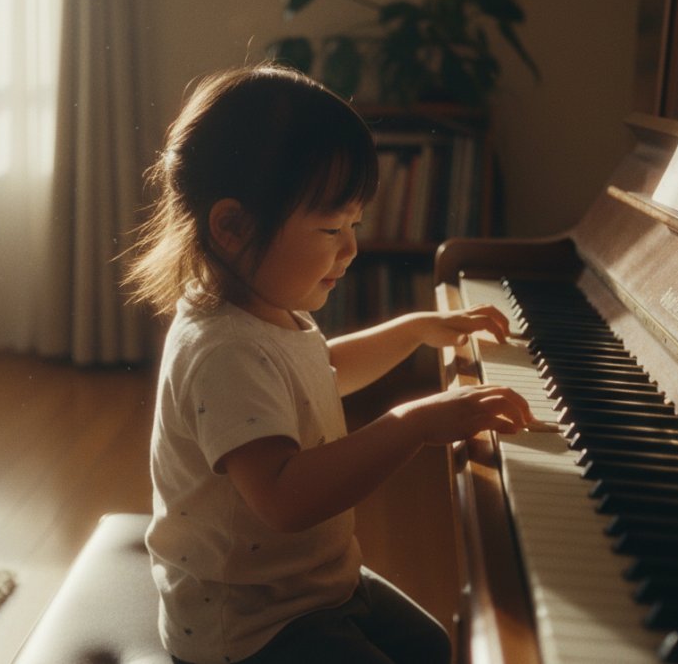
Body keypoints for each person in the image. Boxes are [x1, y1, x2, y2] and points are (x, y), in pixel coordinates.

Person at [124, 64, 534, 664]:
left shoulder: (263, 309)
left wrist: (412, 331)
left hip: (309, 587)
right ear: (233, 227)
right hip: (246, 623)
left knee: (432, 648)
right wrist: (412, 424)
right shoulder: (222, 349)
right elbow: (284, 497)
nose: (352, 247)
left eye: (356, 224)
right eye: (332, 227)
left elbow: (320, 373)